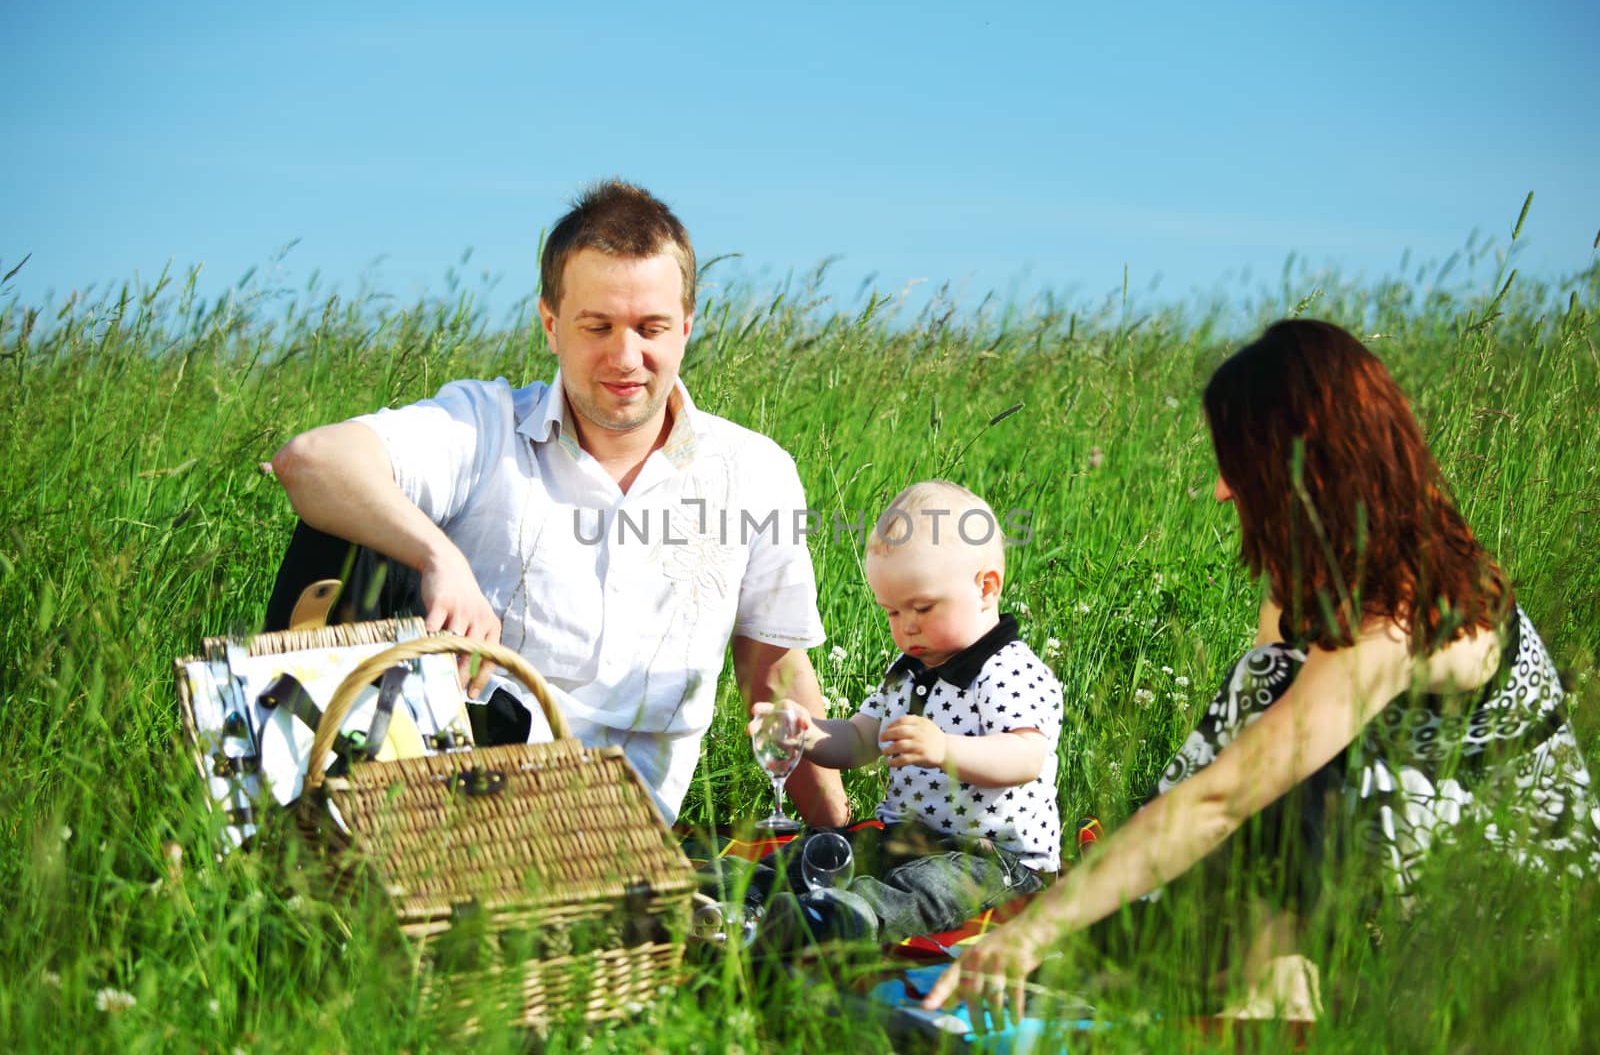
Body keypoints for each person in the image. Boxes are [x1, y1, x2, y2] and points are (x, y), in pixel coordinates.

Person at [924, 318, 1599, 1018]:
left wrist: (1036, 930)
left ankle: (1276, 991)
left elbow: (1227, 797)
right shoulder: (1318, 579)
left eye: (1238, 465)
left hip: (1505, 888)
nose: (1221, 490)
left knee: (1277, 719)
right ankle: (1256, 961)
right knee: (1270, 685)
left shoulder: (1399, 615)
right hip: (1378, 829)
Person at [268, 179, 847, 827]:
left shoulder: (755, 473)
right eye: (597, 325)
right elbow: (310, 462)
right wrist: (437, 556)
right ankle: (297, 841)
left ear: (687, 326)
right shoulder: (484, 427)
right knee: (341, 540)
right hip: (452, 798)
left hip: (619, 834)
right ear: (550, 324)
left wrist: (840, 840)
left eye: (651, 327)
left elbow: (775, 674)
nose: (626, 357)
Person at [742, 480, 1062, 945]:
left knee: (922, 891)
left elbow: (1025, 758)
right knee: (826, 853)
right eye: (891, 612)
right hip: (903, 835)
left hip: (994, 857)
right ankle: (737, 891)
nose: (906, 626)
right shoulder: (907, 670)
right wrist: (808, 735)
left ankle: (835, 922)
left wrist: (945, 749)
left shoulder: (1009, 670)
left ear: (986, 588)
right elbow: (858, 740)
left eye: (922, 607)